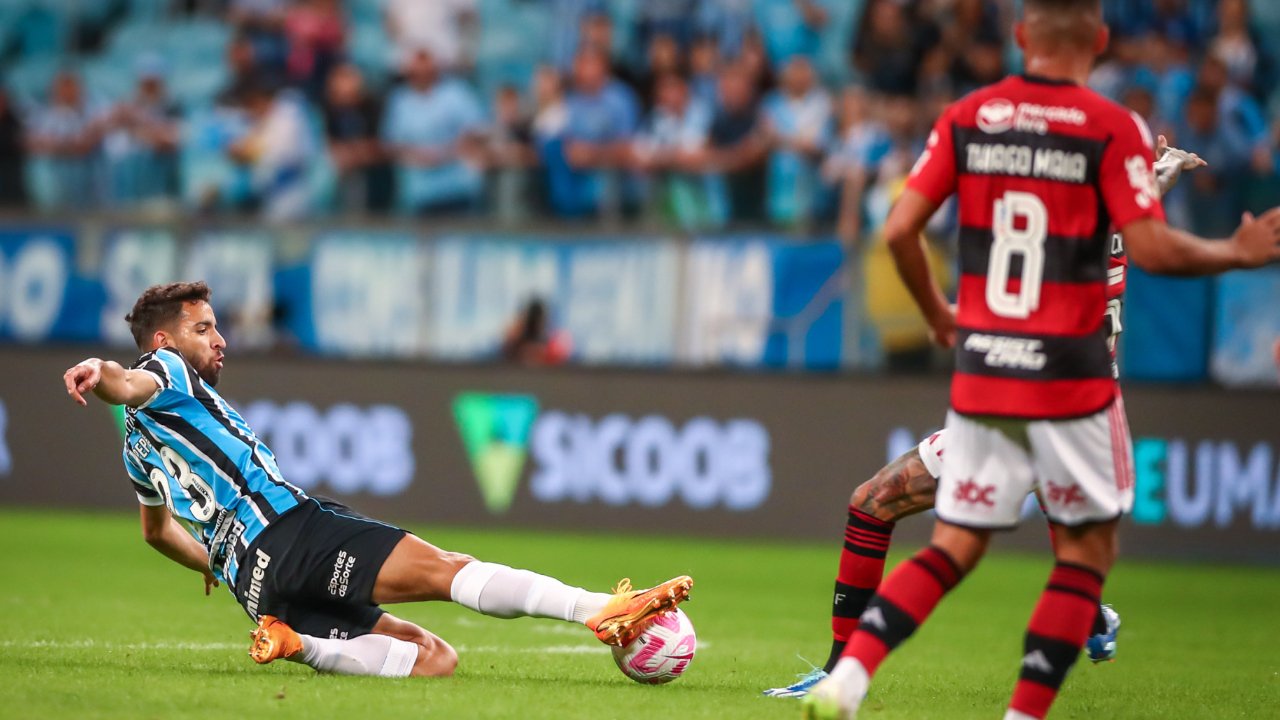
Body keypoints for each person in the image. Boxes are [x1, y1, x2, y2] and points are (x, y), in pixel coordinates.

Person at [803, 1, 1280, 718]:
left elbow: (902, 228)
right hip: (1073, 384)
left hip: (989, 376)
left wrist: (939, 316)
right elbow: (1146, 244)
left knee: (950, 548)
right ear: (1103, 40)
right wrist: (1235, 252)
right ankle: (1031, 696)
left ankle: (849, 677)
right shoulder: (1112, 133)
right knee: (1083, 559)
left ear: (1021, 36)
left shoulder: (972, 117)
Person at [62, 282, 692, 678]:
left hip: (256, 592)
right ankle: (598, 610)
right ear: (166, 340)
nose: (220, 340)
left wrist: (213, 561)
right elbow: (127, 382)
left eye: (216, 326)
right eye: (204, 329)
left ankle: (294, 645)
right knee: (450, 568)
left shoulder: (135, 448)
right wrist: (99, 369)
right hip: (292, 533)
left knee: (434, 660)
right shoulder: (165, 369)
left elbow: (156, 533)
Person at [765, 137, 1205, 699]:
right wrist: (1159, 172)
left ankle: (841, 675)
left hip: (1041, 409)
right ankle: (1088, 621)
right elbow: (1131, 211)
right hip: (1076, 416)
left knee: (903, 520)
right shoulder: (1110, 223)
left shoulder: (1063, 231)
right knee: (888, 508)